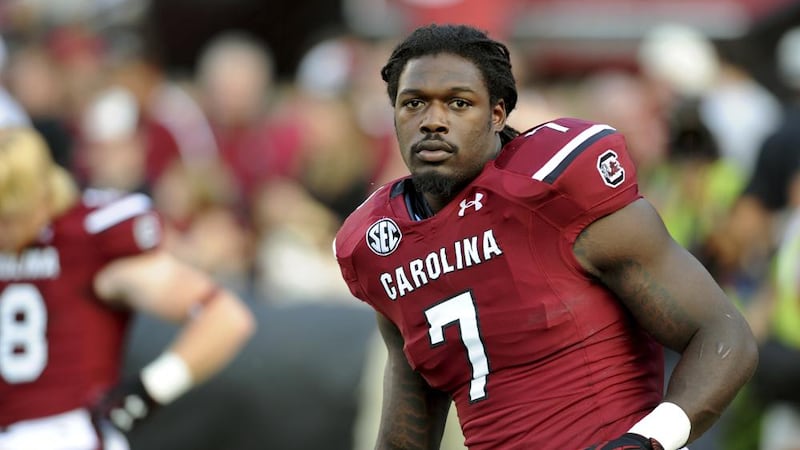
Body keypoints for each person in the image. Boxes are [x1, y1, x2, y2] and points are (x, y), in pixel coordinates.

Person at [333, 24, 758, 450]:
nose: (433, 122)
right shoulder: (381, 245)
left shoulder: (556, 193)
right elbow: (408, 432)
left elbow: (724, 336)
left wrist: (649, 439)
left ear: (497, 114)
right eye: (414, 104)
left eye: (459, 103)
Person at [0, 127, 256, 450]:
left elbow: (224, 317)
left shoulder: (87, 241)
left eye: (9, 217)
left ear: (41, 194)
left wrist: (149, 390)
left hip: (65, 435)